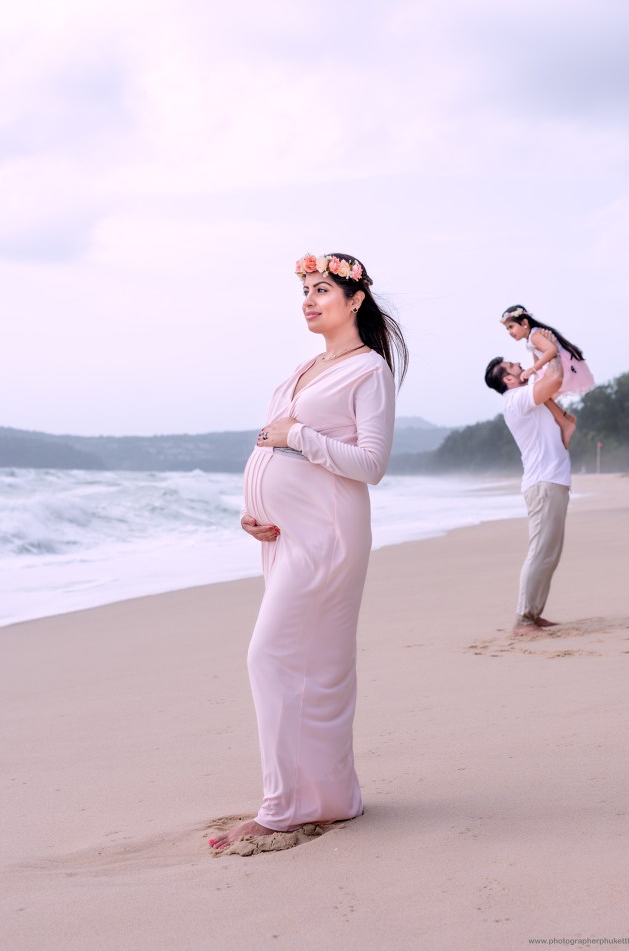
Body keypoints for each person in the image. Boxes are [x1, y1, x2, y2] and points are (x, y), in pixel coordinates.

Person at [210, 252, 408, 850]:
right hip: (287, 535)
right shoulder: (304, 368)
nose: (309, 300)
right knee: (318, 665)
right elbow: (279, 453)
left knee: (269, 656)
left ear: (355, 301)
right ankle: (333, 796)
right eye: (304, 291)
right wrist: (257, 511)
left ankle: (282, 807)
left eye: (322, 289)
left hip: (327, 535)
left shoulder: (367, 371)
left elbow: (370, 465)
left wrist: (294, 435)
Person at [484, 351, 570, 634]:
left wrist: (539, 362)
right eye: (513, 366)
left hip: (549, 481)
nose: (519, 364)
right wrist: (551, 351)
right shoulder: (517, 399)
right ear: (509, 379)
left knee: (550, 553)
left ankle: (532, 614)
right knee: (540, 552)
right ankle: (523, 618)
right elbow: (555, 378)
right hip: (543, 484)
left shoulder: (524, 399)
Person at [500, 305, 595, 449]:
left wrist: (532, 370)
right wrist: (535, 375)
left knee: (541, 396)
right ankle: (565, 418)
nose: (509, 332)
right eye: (507, 329)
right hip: (559, 365)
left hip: (563, 366)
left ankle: (565, 423)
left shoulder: (534, 336)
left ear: (524, 323)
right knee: (540, 394)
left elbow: (551, 350)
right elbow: (538, 360)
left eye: (511, 327)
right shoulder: (531, 339)